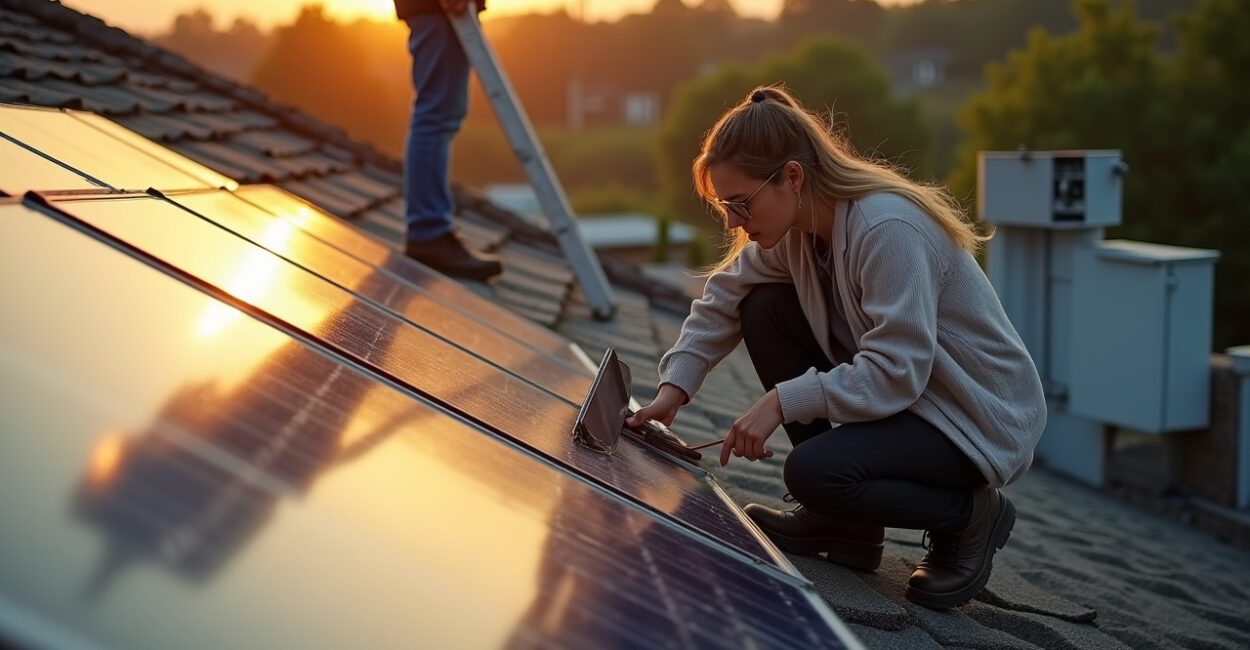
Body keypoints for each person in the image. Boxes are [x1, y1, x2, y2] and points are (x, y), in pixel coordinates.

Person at [627, 85, 1047, 610]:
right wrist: (673, 391)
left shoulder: (886, 229)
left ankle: (969, 516)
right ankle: (847, 525)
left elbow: (896, 370)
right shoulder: (798, 231)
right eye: (722, 206)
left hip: (972, 414)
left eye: (741, 203)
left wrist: (782, 400)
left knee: (811, 474)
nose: (733, 222)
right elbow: (723, 296)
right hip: (912, 400)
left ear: (793, 177)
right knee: (762, 307)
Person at [393, 0, 502, 281]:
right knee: (437, 113)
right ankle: (428, 232)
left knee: (440, 112)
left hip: (436, 9)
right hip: (437, 9)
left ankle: (428, 229)